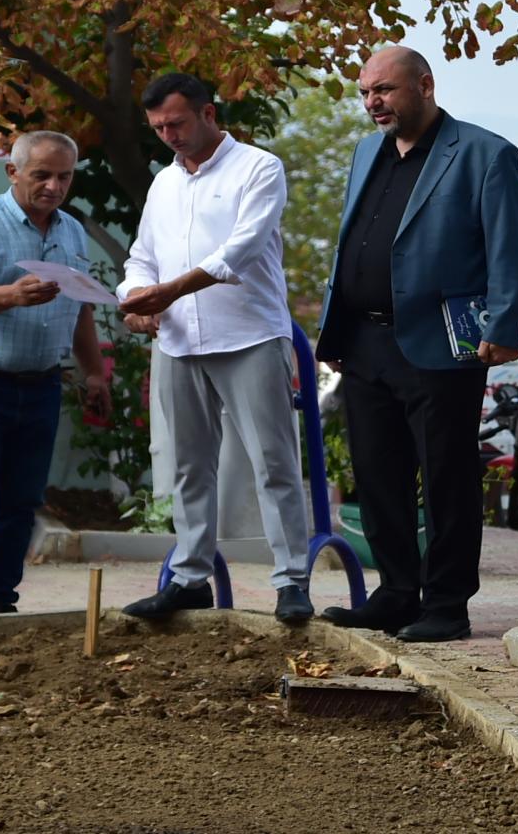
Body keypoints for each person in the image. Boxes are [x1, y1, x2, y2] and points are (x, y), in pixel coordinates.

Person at [314, 46, 518, 643]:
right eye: (365, 93)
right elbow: (352, 242)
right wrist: (335, 327)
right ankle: (395, 593)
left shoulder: (486, 153)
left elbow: (510, 249)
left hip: (443, 342)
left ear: (425, 85)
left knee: (446, 478)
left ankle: (446, 605)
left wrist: (505, 328)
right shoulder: (367, 151)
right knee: (376, 473)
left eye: (384, 90)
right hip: (364, 340)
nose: (373, 103)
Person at [114, 74, 315, 624]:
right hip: (178, 341)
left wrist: (169, 291)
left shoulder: (258, 167)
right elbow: (141, 257)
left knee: (273, 462)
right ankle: (190, 578)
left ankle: (291, 581)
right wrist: (136, 299)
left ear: (208, 113)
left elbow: (241, 251)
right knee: (187, 466)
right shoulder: (164, 183)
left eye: (176, 123)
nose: (168, 135)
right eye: (158, 127)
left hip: (249, 335)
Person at [0, 131, 111, 617]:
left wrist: (94, 373)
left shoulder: (72, 232)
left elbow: (82, 308)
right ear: (13, 172)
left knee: (21, 501)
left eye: (65, 177)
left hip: (40, 384)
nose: (54, 186)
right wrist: (13, 294)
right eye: (42, 175)